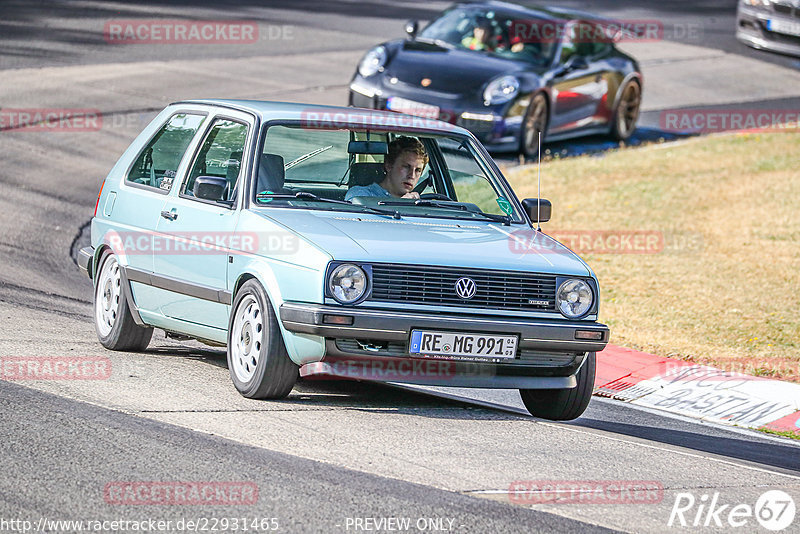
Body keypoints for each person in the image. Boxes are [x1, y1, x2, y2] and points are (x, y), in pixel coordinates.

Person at [345, 136, 428, 201]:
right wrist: (401, 206)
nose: (412, 176)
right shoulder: (360, 195)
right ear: (389, 165)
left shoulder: (419, 203)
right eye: (406, 167)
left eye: (418, 170)